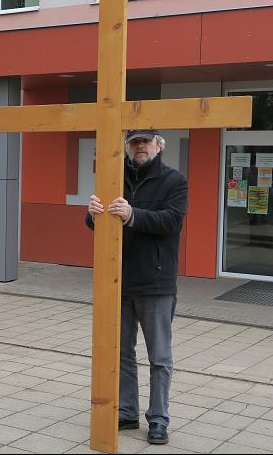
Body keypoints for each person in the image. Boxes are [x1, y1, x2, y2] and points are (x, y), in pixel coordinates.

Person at [85, 129, 187, 445]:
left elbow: (171, 221)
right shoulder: (115, 178)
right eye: (134, 142)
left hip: (156, 283)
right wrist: (91, 215)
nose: (140, 146)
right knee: (121, 353)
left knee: (159, 357)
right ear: (127, 148)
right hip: (119, 281)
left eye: (146, 141)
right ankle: (126, 412)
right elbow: (98, 225)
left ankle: (158, 419)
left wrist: (132, 215)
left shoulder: (174, 181)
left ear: (159, 145)